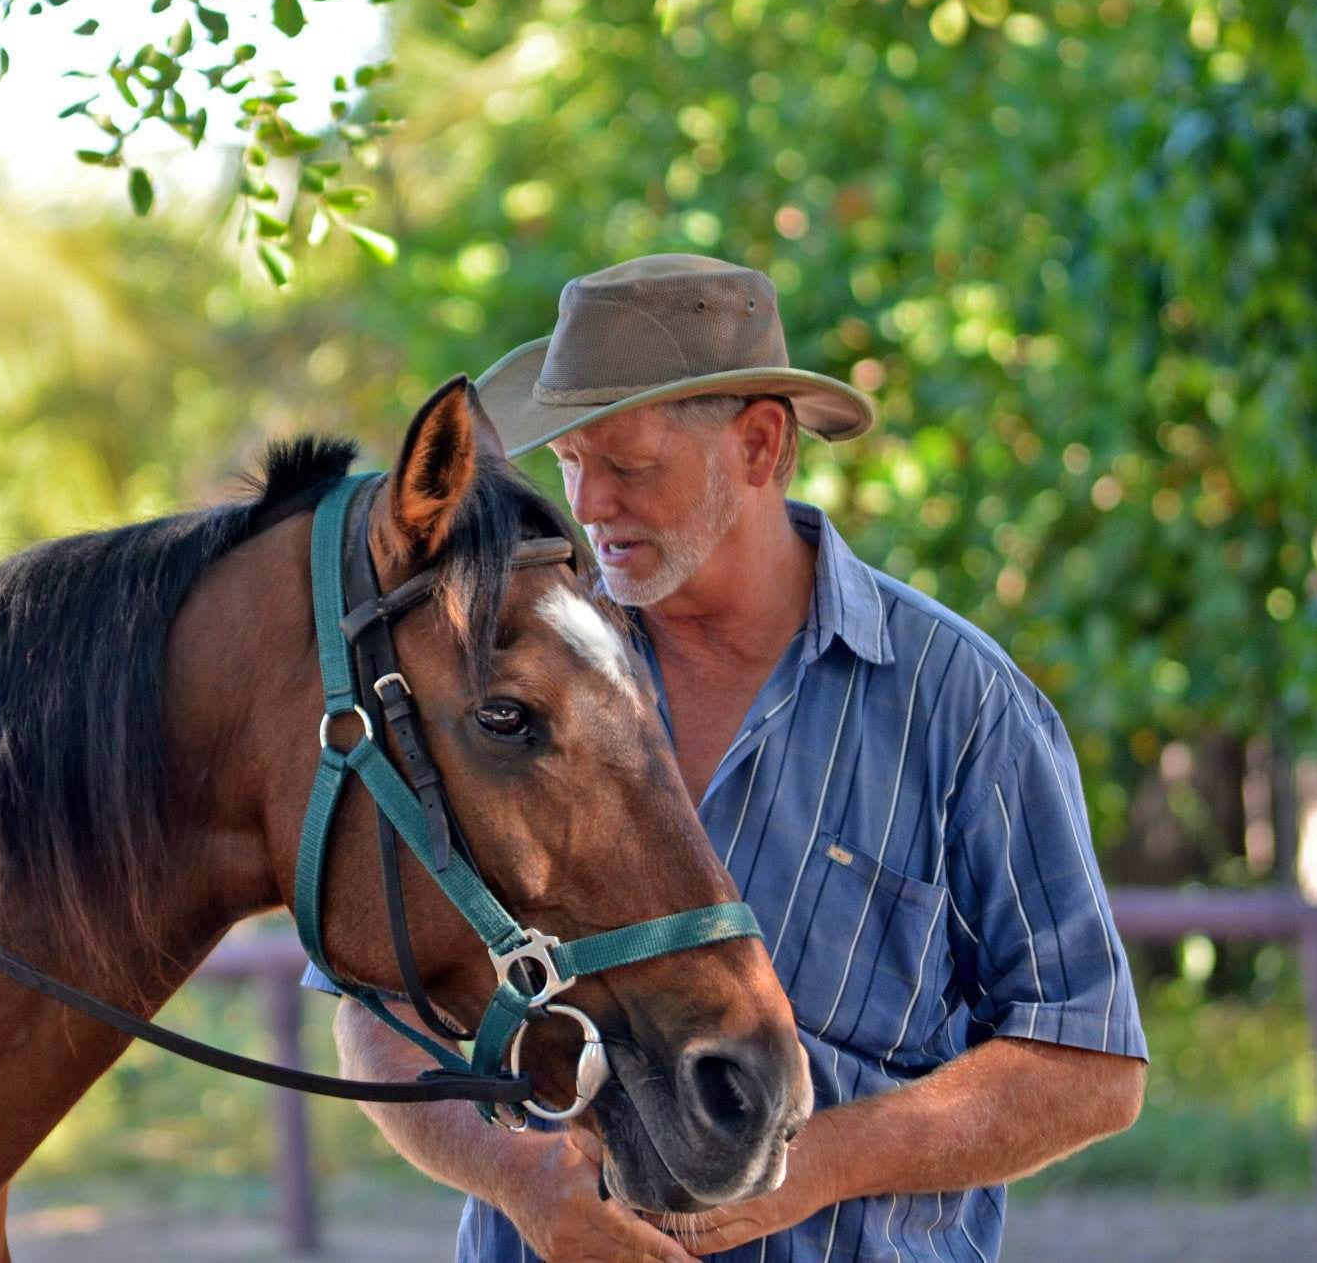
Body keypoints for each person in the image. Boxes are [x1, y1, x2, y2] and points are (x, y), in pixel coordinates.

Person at [323, 255, 1147, 1262]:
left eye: (628, 464)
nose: (588, 503)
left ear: (758, 445)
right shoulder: (500, 684)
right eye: (572, 461)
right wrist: (521, 1177)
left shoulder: (962, 705)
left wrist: (826, 1161)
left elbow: (1089, 1061)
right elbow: (377, 1011)